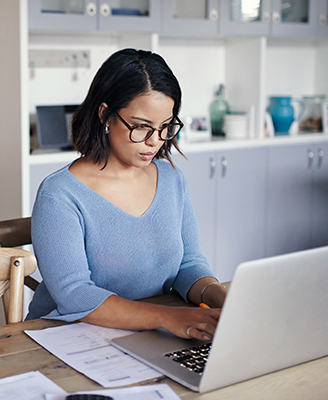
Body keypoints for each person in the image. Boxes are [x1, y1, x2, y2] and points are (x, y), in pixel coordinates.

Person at [27, 48, 227, 341]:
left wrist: (221, 298)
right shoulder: (60, 194)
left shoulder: (171, 180)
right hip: (67, 337)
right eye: (141, 127)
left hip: (148, 333)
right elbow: (74, 294)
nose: (154, 142)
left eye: (164, 128)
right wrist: (168, 317)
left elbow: (189, 265)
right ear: (105, 114)